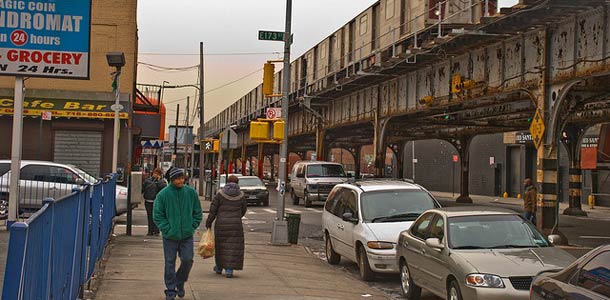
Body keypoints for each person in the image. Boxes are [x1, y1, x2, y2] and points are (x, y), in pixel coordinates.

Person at [153, 168, 202, 300]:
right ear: (172, 179)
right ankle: (170, 289)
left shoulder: (190, 192)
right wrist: (167, 229)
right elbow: (158, 215)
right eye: (178, 178)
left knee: (187, 259)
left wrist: (192, 226)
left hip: (186, 235)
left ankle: (180, 281)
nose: (181, 180)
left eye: (182, 178)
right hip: (170, 237)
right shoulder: (163, 195)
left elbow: (197, 212)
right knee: (169, 263)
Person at [205, 175, 247, 278]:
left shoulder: (220, 194)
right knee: (233, 247)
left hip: (221, 224)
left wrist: (209, 223)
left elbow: (213, 210)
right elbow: (244, 210)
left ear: (227, 182)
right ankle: (229, 270)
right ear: (237, 183)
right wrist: (237, 217)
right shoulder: (241, 195)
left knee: (221, 247)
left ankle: (219, 267)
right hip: (236, 225)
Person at [142, 168, 167, 236]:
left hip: (157, 202)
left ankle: (156, 230)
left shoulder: (162, 182)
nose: (155, 175)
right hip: (148, 200)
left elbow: (164, 189)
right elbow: (143, 188)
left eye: (157, 174)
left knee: (156, 217)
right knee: (149, 216)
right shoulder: (147, 181)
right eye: (154, 173)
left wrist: (159, 181)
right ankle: (150, 230)